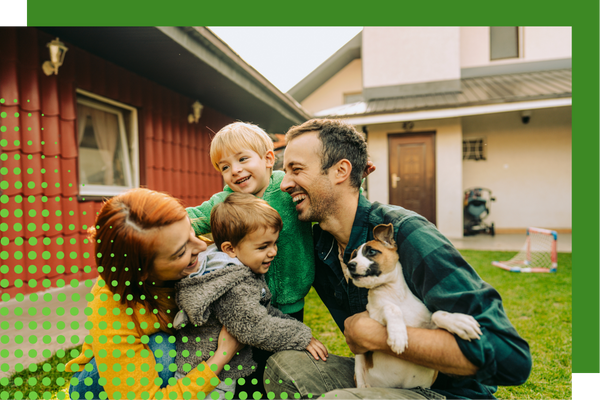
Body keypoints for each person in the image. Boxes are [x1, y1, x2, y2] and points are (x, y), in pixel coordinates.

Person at [265, 119, 532, 400]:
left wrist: (379, 337)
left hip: (444, 393)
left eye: (296, 170)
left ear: (341, 171)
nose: (284, 184)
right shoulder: (319, 245)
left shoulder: (407, 233)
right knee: (284, 367)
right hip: (387, 380)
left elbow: (511, 360)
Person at [66, 188, 244, 400]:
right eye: (181, 252)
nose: (200, 246)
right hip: (100, 386)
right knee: (164, 349)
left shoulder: (170, 238)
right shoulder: (112, 310)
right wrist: (221, 357)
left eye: (190, 231)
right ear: (144, 273)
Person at [186, 121, 316, 396]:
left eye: (243, 159)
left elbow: (322, 189)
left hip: (292, 296)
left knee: (285, 362)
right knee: (248, 365)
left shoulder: (287, 186)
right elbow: (191, 218)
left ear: (269, 159)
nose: (235, 170)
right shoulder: (225, 203)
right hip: (247, 300)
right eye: (224, 166)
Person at [172, 193, 328, 400]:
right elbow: (255, 326)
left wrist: (294, 326)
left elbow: (262, 311)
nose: (273, 252)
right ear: (230, 249)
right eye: (263, 246)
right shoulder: (232, 285)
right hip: (210, 379)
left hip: (207, 369)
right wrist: (301, 337)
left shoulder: (227, 269)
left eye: (274, 243)